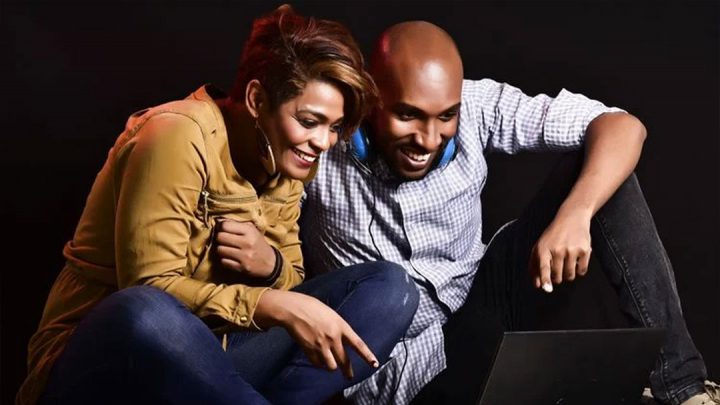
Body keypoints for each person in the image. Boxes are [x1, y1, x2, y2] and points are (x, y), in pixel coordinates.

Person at [266, 21, 717, 404]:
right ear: (368, 98)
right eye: (408, 115)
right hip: (401, 368)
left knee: (598, 171)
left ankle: (685, 389)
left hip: (482, 308)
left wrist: (575, 213)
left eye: (445, 117)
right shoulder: (321, 142)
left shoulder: (478, 105)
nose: (428, 139)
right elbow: (276, 243)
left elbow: (622, 126)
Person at [17, 6, 419, 405]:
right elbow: (148, 290)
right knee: (146, 310)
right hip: (107, 367)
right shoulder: (176, 134)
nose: (323, 142)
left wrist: (272, 267)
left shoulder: (288, 160)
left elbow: (293, 282)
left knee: (389, 290)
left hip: (216, 364)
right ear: (258, 98)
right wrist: (268, 302)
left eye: (333, 127)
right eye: (309, 121)